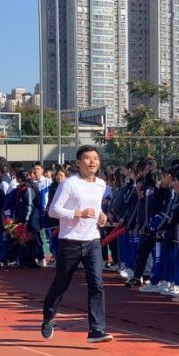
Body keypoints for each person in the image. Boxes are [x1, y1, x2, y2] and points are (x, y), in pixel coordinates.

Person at [41, 145, 113, 344]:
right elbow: (53, 210)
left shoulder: (101, 184)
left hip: (92, 241)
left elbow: (96, 209)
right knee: (61, 284)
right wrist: (78, 214)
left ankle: (96, 329)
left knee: (96, 284)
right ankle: (48, 317)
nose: (93, 162)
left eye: (95, 158)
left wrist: (101, 217)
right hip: (70, 241)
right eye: (88, 158)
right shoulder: (70, 184)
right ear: (79, 162)